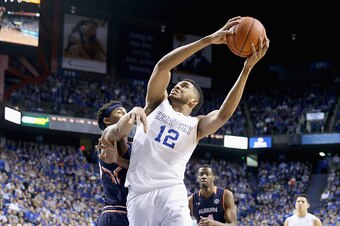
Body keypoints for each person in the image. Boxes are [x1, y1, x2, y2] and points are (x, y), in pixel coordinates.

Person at [102, 16, 269, 226]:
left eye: (185, 85)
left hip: (171, 191)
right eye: (178, 83)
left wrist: (246, 69)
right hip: (138, 194)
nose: (178, 85)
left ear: (194, 100)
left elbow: (223, 115)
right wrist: (206, 40)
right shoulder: (155, 103)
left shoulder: (196, 125)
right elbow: (162, 67)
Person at [95, 100, 147, 226]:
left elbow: (144, 170)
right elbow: (119, 129)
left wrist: (118, 160)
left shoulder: (133, 145)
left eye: (125, 112)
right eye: (120, 112)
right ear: (107, 120)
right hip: (116, 212)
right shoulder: (107, 138)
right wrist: (134, 111)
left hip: (132, 213)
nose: (125, 114)